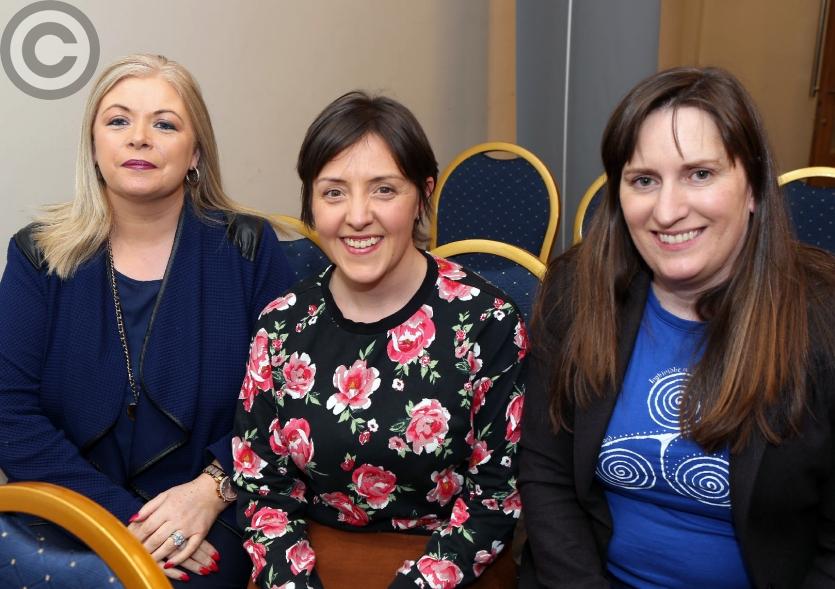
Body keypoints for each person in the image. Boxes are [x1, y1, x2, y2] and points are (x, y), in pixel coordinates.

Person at [518, 66, 835, 588]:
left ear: (754, 188)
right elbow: (545, 472)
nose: (667, 211)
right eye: (644, 180)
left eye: (700, 174)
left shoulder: (821, 321)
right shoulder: (576, 293)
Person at [0, 54, 293, 587]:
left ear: (195, 152)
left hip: (211, 515)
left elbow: (286, 400)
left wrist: (212, 489)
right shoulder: (36, 255)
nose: (139, 138)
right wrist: (125, 521)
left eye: (165, 124)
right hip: (65, 507)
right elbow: (9, 413)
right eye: (118, 120)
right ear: (94, 147)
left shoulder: (248, 249)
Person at [233, 91, 527, 588]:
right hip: (312, 560)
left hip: (453, 564)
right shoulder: (281, 324)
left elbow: (494, 499)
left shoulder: (487, 321)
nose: (357, 216)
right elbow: (262, 488)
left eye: (384, 190)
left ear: (423, 194)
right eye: (333, 193)